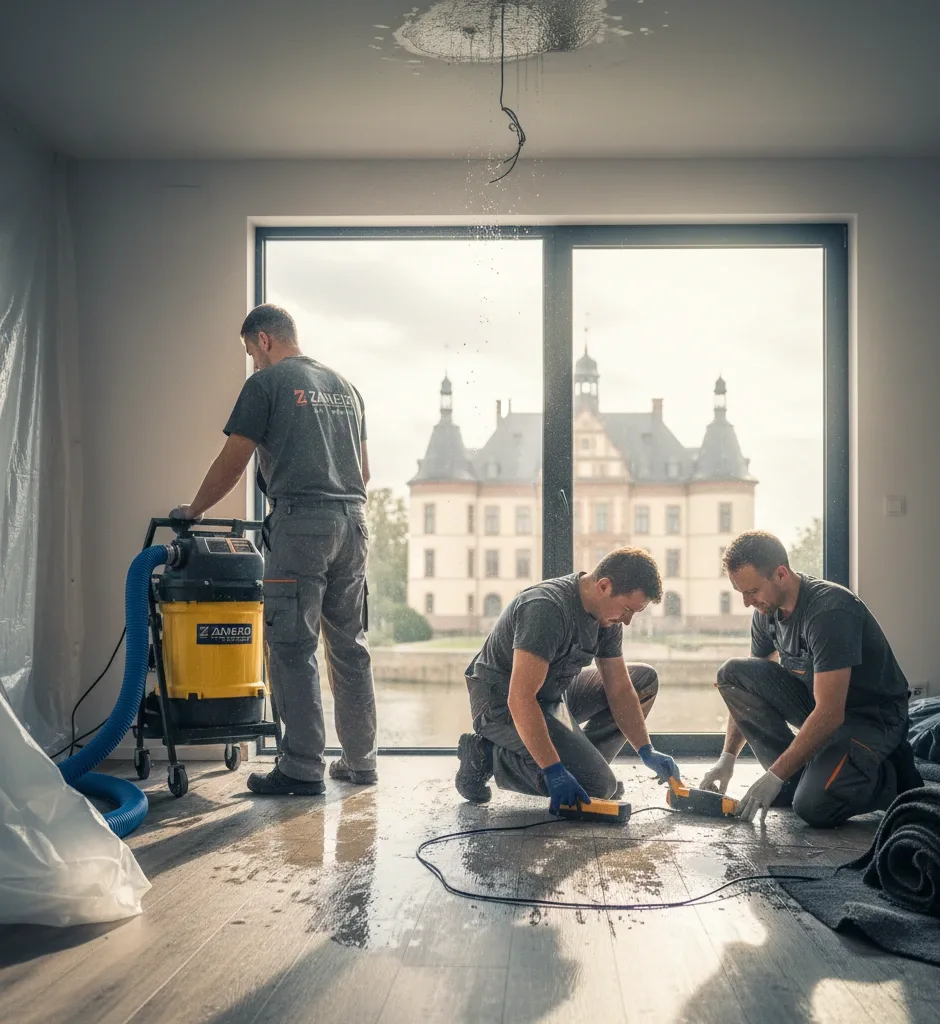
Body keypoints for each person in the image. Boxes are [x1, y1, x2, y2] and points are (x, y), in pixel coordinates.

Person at [170, 303, 377, 796]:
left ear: (263, 339)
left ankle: (302, 768)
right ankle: (361, 762)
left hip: (301, 525)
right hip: (354, 524)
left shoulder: (266, 384)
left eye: (250, 351)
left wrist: (194, 510)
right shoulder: (347, 388)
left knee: (292, 647)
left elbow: (234, 461)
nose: (253, 361)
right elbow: (365, 472)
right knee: (350, 646)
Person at [701, 530, 922, 826]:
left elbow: (831, 713)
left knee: (813, 807)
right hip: (822, 706)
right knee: (733, 673)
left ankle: (888, 776)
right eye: (741, 592)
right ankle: (792, 778)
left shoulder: (829, 610)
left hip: (871, 717)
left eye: (752, 592)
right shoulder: (766, 612)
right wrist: (727, 758)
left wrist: (774, 774)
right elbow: (749, 683)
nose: (745, 602)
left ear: (780, 574)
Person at [455, 548, 681, 812]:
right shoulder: (545, 608)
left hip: (552, 695)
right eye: (627, 609)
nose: (628, 621)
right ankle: (485, 755)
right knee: (597, 787)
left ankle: (588, 771)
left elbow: (619, 689)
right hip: (501, 704)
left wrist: (645, 749)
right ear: (604, 586)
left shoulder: (606, 617)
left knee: (644, 681)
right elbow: (521, 698)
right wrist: (553, 770)